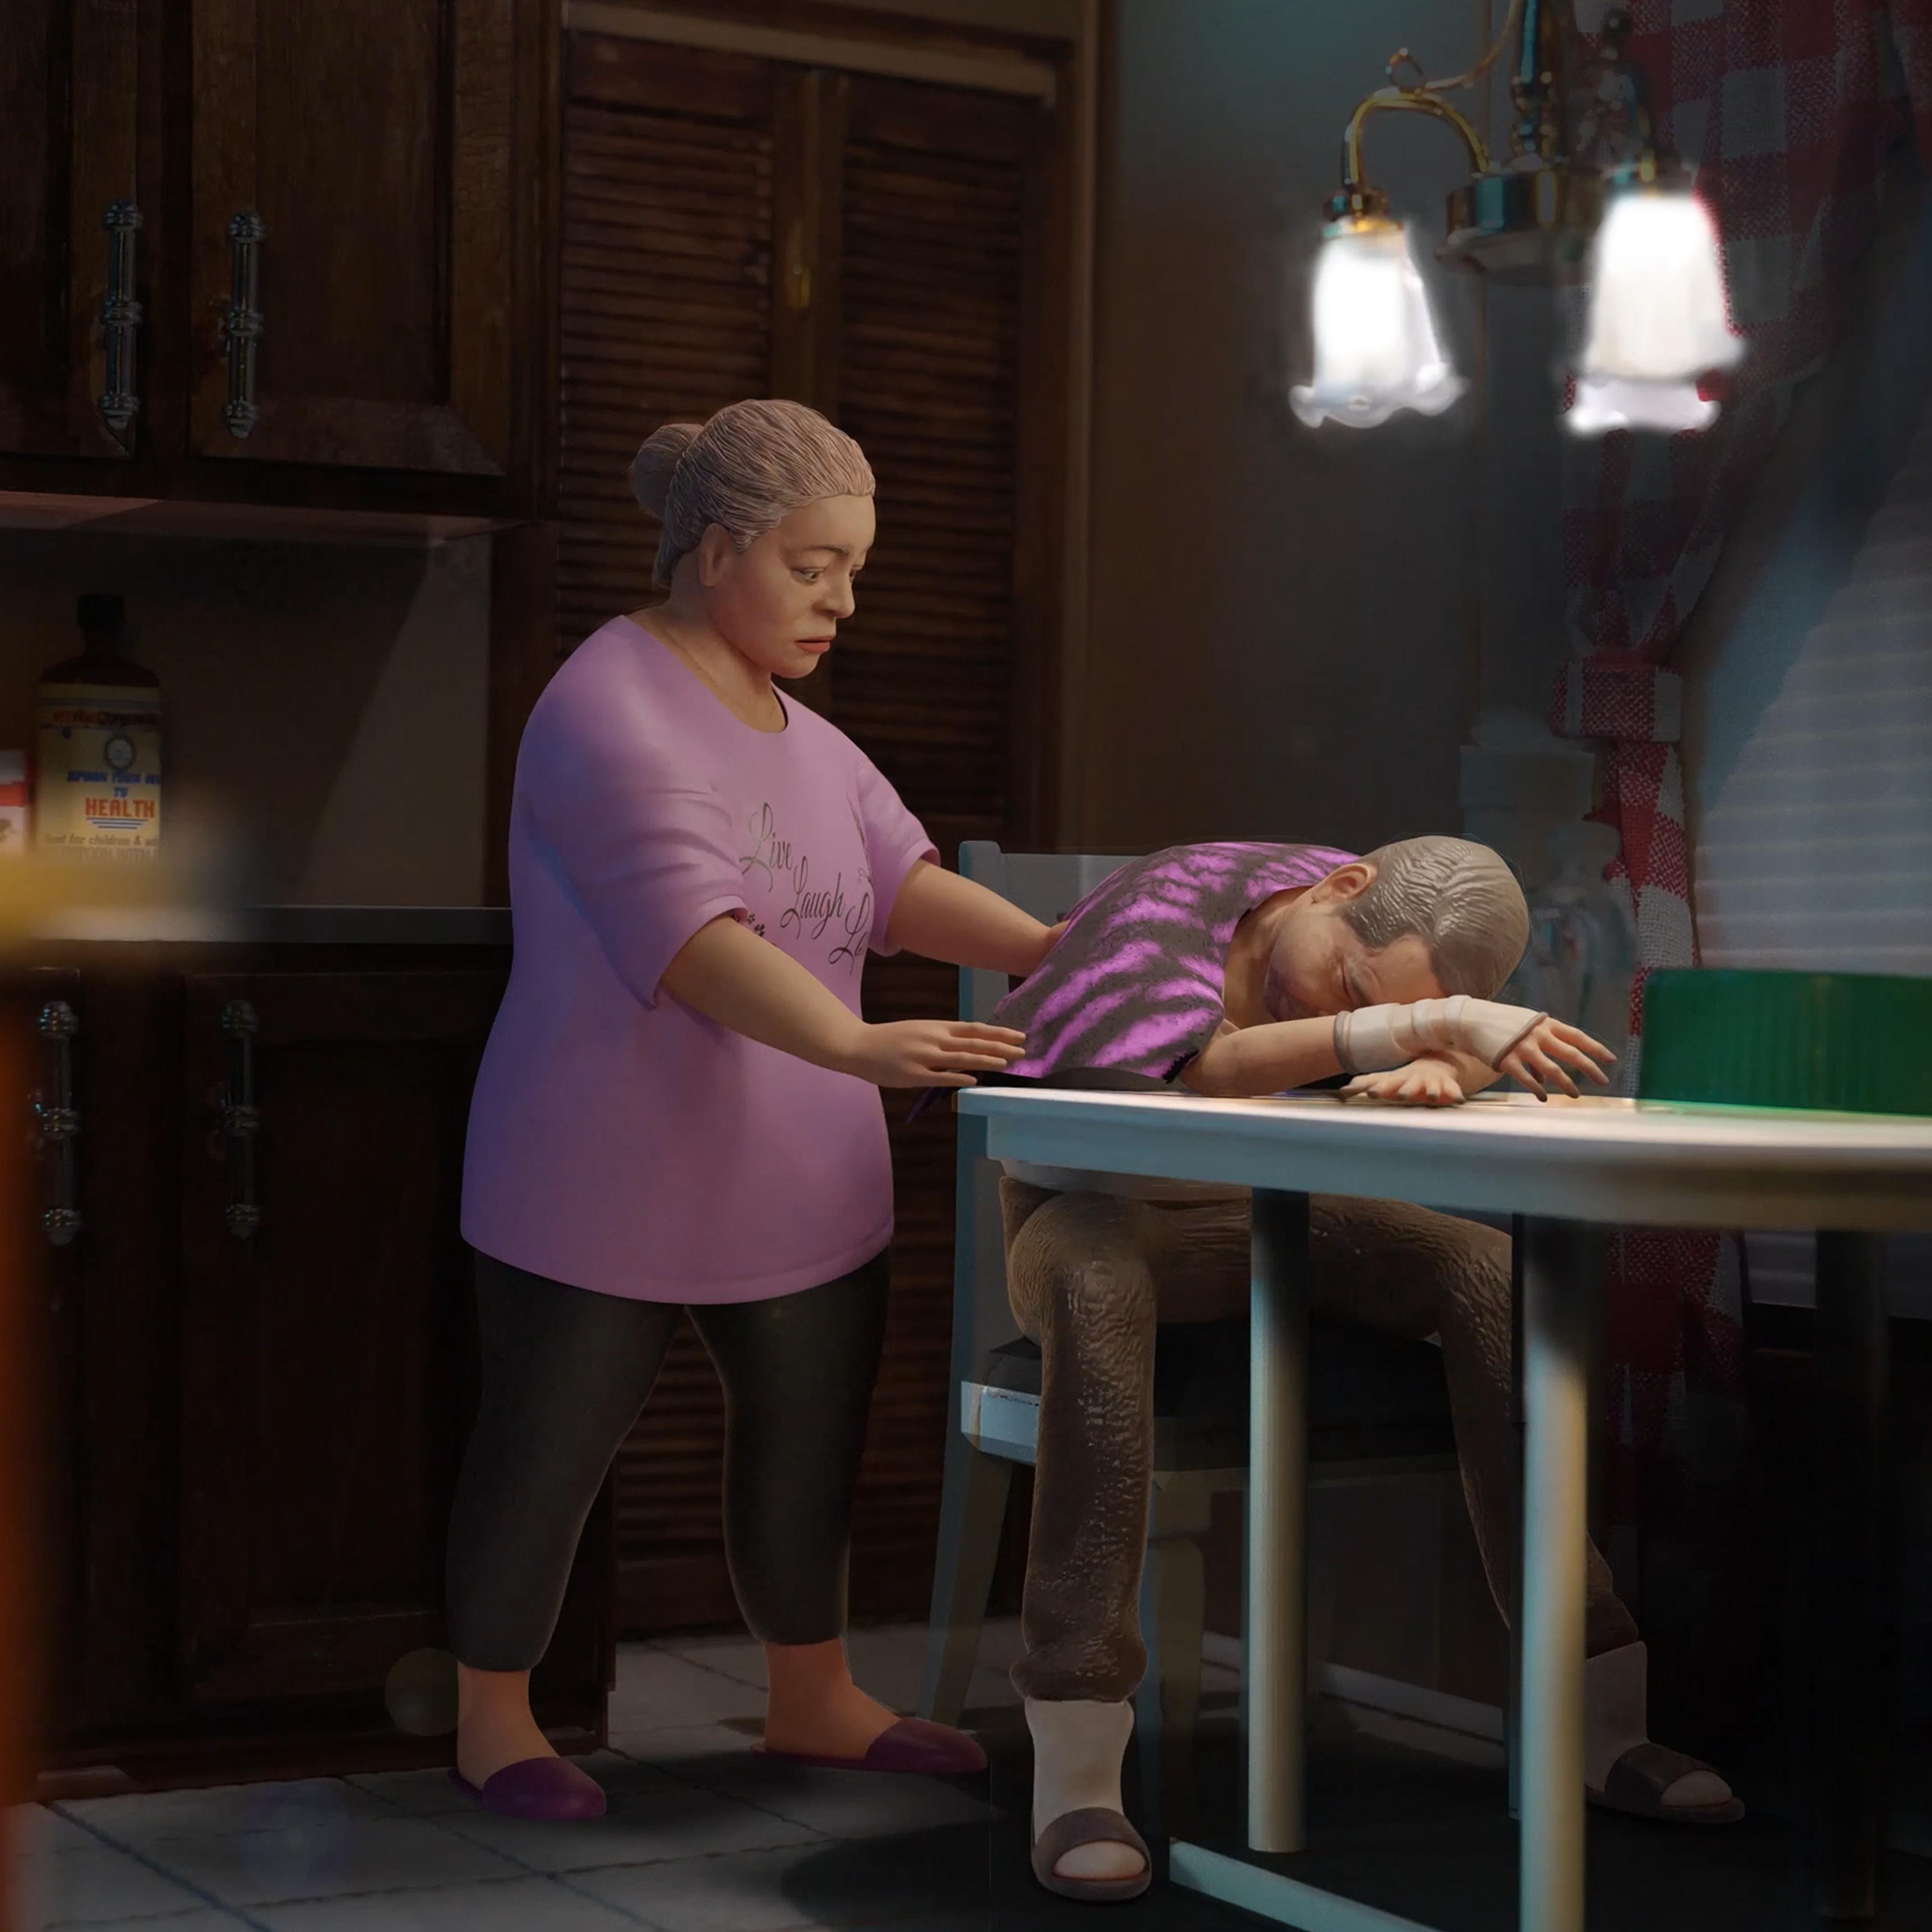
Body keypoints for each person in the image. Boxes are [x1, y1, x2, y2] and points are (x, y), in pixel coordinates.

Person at [448, 398, 1062, 1820]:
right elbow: (688, 938)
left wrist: (1047, 947)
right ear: (716, 549)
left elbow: (899, 882)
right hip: (597, 1181)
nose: (843, 600)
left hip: (804, 1185)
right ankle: (494, 1716)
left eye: (855, 569)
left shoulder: (809, 733)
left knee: (808, 1439)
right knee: (547, 1446)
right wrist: (855, 1044)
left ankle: (811, 1694)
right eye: (813, 565)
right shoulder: (605, 707)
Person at [985, 837, 1743, 1902]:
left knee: (1486, 1269)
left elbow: (1474, 1032)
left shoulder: (1401, 944)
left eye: (1392, 1002)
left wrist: (1455, 1057)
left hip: (1275, 1211)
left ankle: (1597, 1713)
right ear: (1341, 888)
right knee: (1098, 1290)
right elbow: (1209, 1066)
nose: (1333, 1003)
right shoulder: (1175, 907)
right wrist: (1417, 1022)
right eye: (1344, 981)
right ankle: (1075, 1767)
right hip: (1095, 1215)